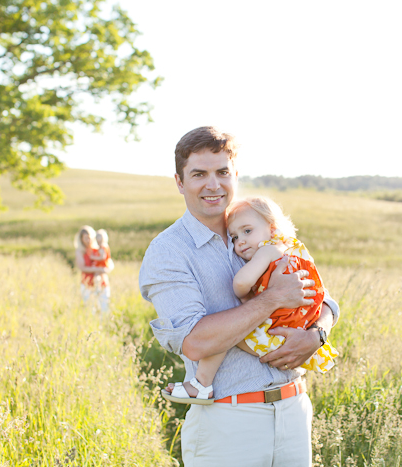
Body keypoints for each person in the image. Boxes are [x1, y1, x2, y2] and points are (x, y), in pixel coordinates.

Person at [139, 126, 340, 466]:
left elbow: (326, 301)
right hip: (229, 422)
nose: (213, 184)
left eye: (222, 172)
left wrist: (317, 334)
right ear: (179, 181)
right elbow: (195, 343)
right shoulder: (169, 252)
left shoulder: (258, 230)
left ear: (235, 175)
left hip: (293, 409)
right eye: (199, 174)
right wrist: (271, 299)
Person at [162, 196, 339, 404]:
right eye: (234, 237)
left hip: (275, 334)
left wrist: (246, 297)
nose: (241, 241)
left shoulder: (268, 251)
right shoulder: (294, 252)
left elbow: (240, 283)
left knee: (227, 330)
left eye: (247, 231)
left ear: (272, 230)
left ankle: (201, 383)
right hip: (294, 332)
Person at [74, 226, 110, 312]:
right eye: (85, 238)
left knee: (104, 309)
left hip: (102, 282)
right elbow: (82, 267)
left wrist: (106, 269)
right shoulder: (80, 251)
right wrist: (98, 269)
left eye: (89, 238)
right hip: (88, 283)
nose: (88, 240)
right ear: (81, 239)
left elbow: (108, 262)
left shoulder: (99, 249)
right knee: (90, 310)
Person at [88, 229, 114, 312]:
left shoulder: (103, 247)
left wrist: (93, 257)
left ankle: (98, 288)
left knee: (98, 276)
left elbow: (102, 257)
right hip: (101, 266)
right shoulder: (103, 247)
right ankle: (97, 288)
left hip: (102, 265)